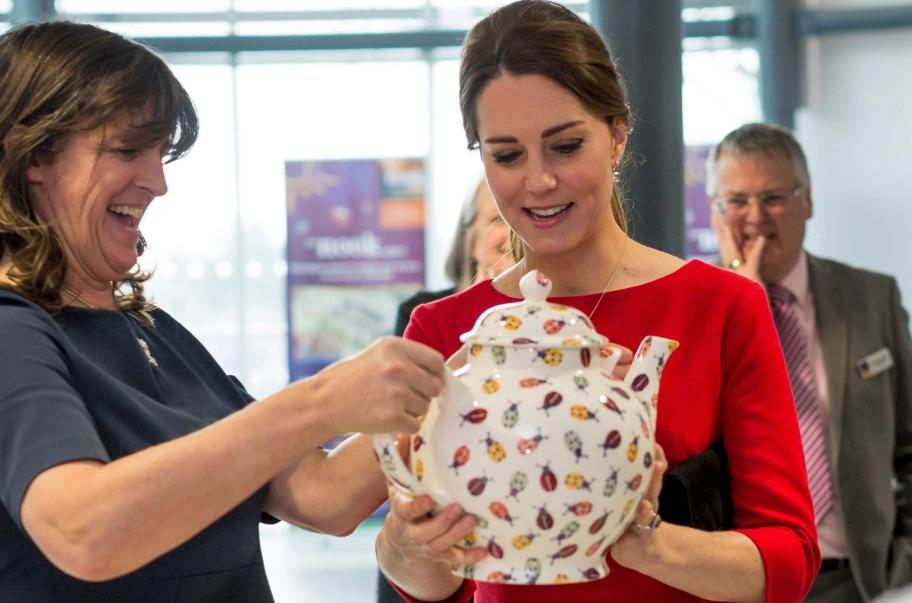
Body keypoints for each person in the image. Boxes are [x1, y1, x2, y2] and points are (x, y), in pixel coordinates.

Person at [0, 21, 445, 602]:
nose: (158, 182)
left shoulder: (154, 334)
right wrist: (318, 402)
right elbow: (81, 530)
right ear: (31, 153)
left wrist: (460, 365)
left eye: (161, 153)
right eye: (127, 149)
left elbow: (325, 495)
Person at [374, 2, 820, 602]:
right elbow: (435, 589)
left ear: (616, 136)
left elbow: (789, 557)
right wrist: (408, 542)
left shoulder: (719, 307)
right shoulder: (445, 327)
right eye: (507, 155)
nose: (539, 181)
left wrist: (648, 541)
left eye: (564, 146)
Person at [708, 122, 912, 602]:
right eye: (736, 201)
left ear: (808, 201)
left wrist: (903, 555)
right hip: (740, 580)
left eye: (773, 197)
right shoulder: (695, 309)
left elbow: (910, 442)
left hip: (858, 580)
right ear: (716, 213)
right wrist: (743, 306)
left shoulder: (871, 297)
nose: (755, 217)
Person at [381, 179, 511, 602]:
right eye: (497, 218)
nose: (511, 231)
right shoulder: (426, 317)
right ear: (469, 235)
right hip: (436, 554)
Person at [393, 178, 512, 337]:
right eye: (499, 219)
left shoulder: (553, 313)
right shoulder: (421, 316)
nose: (516, 232)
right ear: (469, 240)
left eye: (529, 214)